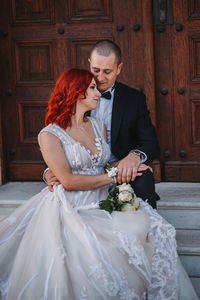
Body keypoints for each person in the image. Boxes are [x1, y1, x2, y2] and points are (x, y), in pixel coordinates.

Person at [0, 68, 198, 300]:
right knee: (97, 250)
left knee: (154, 228)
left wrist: (128, 167)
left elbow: (102, 164)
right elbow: (69, 181)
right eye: (92, 88)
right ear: (75, 92)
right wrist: (114, 176)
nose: (98, 93)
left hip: (103, 198)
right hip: (74, 206)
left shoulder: (97, 126)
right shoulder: (49, 134)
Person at [44, 40, 160, 209]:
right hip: (80, 173)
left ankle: (148, 228)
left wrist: (134, 158)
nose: (99, 78)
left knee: (144, 176)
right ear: (89, 64)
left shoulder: (134, 99)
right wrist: (48, 171)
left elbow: (150, 142)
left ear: (119, 68)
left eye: (107, 71)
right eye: (95, 70)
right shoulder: (71, 97)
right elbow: (53, 138)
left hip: (118, 168)